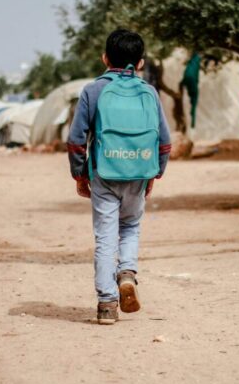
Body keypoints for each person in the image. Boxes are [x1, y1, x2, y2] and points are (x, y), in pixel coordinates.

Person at [67, 29, 172, 325]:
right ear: (140, 63)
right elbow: (164, 141)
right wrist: (155, 172)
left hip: (104, 173)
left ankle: (107, 304)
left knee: (105, 237)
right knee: (131, 227)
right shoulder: (149, 92)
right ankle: (126, 273)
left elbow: (76, 138)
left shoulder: (92, 90)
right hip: (139, 171)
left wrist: (79, 173)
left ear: (104, 58)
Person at [180, 52, 201, 128]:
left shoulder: (190, 62)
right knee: (194, 99)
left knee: (192, 97)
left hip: (186, 79)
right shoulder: (197, 60)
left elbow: (186, 72)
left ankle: (192, 110)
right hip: (192, 80)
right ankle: (193, 119)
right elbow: (196, 75)